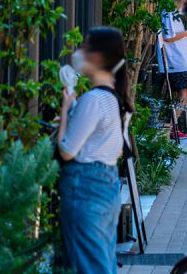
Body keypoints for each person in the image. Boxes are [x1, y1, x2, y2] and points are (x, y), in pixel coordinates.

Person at [57, 27, 132, 274]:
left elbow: (67, 150)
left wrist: (66, 109)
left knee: (87, 264)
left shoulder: (94, 99)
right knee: (100, 261)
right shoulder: (117, 99)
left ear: (98, 57)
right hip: (107, 184)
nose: (79, 53)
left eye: (84, 47)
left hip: (84, 185)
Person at [159, 0, 187, 138]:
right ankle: (171, 128)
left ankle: (173, 127)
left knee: (181, 94)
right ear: (185, 1)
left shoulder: (175, 15)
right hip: (175, 61)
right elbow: (168, 38)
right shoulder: (168, 13)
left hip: (180, 60)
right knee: (184, 93)